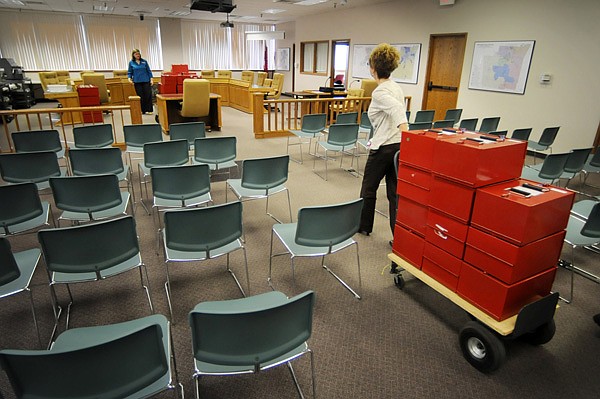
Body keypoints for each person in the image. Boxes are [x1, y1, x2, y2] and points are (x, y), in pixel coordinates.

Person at [358, 43, 408, 238]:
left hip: (383, 148)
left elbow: (396, 110)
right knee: (394, 194)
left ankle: (363, 226)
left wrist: (406, 132)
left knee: (369, 188)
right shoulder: (396, 87)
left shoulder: (379, 92)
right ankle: (399, 237)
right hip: (397, 147)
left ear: (373, 68)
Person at [127, 49, 154, 114]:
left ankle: (149, 110)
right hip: (137, 81)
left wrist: (151, 79)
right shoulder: (131, 63)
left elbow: (149, 71)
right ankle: (143, 110)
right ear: (133, 55)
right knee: (140, 96)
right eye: (136, 54)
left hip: (146, 80)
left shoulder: (144, 62)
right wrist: (129, 79)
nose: (138, 55)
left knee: (148, 95)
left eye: (138, 54)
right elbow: (130, 72)